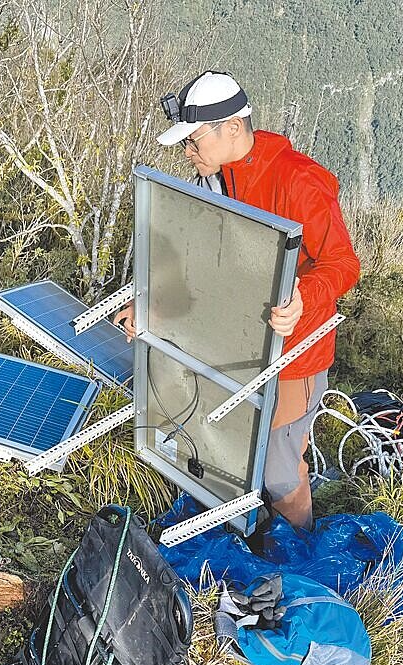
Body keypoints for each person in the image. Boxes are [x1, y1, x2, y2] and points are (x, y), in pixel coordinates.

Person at [114, 71, 360, 530]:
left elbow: (344, 263)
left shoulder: (298, 181)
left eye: (194, 142)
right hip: (237, 346)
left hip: (295, 355)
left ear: (232, 128)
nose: (188, 153)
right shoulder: (214, 179)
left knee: (279, 472)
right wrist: (154, 306)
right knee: (228, 449)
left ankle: (299, 556)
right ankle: (255, 531)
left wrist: (303, 297)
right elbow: (201, 260)